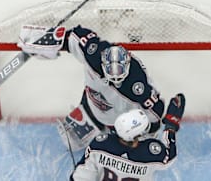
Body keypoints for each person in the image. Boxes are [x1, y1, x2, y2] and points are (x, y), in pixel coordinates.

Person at [18, 24, 165, 150]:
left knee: (120, 155)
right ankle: (90, 116)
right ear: (103, 63)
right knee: (72, 142)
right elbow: (75, 35)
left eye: (118, 78)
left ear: (126, 67)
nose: (114, 81)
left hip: (117, 123)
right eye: (111, 76)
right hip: (92, 103)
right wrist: (48, 39)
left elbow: (156, 111)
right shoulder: (93, 53)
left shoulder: (136, 84)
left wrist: (144, 132)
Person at [69, 93, 185, 181]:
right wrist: (171, 126)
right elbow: (169, 156)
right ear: (138, 136)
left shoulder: (100, 145)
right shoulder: (149, 154)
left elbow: (80, 177)